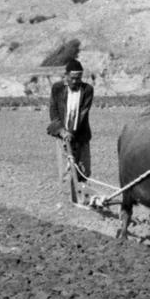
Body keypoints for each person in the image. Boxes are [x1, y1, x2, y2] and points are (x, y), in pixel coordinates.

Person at [47, 58, 94, 202]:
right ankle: (70, 202)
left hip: (81, 135)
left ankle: (82, 199)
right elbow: (53, 112)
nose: (75, 81)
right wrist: (62, 131)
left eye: (78, 78)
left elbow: (82, 114)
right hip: (63, 136)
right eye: (73, 78)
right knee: (68, 170)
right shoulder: (57, 88)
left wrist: (71, 133)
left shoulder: (87, 90)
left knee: (83, 170)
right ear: (66, 76)